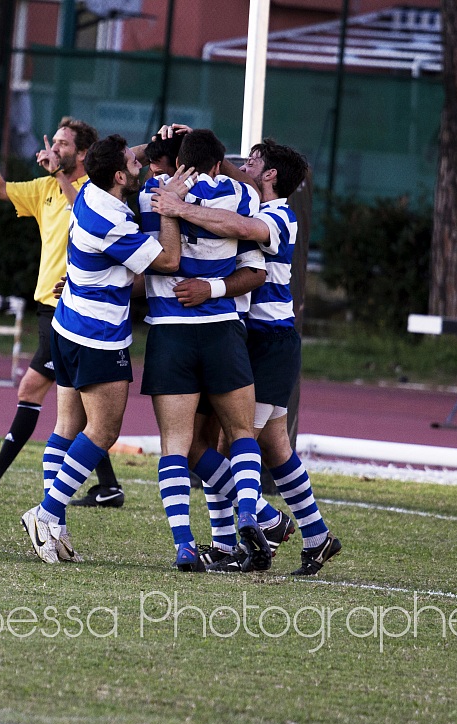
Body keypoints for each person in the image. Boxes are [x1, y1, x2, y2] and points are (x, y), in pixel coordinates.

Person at [153, 138, 342, 576]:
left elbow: (242, 230)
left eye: (254, 162)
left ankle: (236, 538)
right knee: (275, 445)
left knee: (221, 444)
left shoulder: (277, 216)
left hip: (268, 340)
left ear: (272, 174)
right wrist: (188, 145)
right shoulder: (254, 200)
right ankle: (316, 535)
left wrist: (177, 209)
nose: (244, 166)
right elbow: (227, 180)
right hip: (252, 338)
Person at [20, 135, 185, 564]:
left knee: (66, 428)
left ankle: (53, 527)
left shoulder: (92, 190)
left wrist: (161, 141)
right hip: (97, 336)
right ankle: (47, 512)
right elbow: (167, 262)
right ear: (118, 175)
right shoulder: (112, 218)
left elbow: (126, 160)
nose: (140, 162)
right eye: (134, 161)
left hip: (67, 323)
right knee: (104, 432)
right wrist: (169, 206)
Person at [0, 113, 126, 508]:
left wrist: (60, 175)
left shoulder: (94, 190)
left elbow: (82, 210)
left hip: (76, 310)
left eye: (64, 144)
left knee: (35, 390)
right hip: (50, 309)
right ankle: (109, 486)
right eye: (55, 141)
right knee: (79, 407)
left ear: (83, 153)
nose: (54, 148)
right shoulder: (45, 187)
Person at [138, 128, 274, 572]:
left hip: (170, 330)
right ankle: (251, 515)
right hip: (221, 330)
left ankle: (183, 543)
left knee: (176, 445)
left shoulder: (150, 194)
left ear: (176, 161)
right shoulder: (241, 195)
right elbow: (248, 195)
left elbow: (134, 167)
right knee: (241, 434)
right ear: (218, 163)